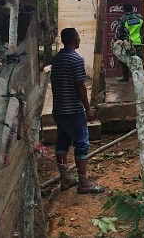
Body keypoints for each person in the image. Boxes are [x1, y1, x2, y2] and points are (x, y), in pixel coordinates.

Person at [50, 28, 105, 194]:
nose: (80, 40)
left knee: (62, 142)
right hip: (73, 110)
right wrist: (88, 109)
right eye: (79, 37)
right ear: (74, 39)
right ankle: (84, 183)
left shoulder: (56, 59)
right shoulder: (75, 59)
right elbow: (80, 86)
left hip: (58, 109)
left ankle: (65, 180)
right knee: (81, 144)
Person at [115, 3, 144, 82]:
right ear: (132, 8)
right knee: (139, 59)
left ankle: (125, 77)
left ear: (124, 10)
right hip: (138, 41)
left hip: (127, 42)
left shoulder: (123, 19)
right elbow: (142, 29)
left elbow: (119, 32)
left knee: (123, 59)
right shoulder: (140, 17)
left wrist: (118, 39)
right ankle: (140, 77)